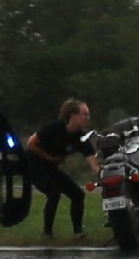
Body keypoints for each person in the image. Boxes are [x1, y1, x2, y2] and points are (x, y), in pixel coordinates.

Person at [26, 98, 100, 239]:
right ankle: (47, 233)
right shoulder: (54, 127)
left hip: (50, 167)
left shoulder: (81, 137)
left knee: (78, 194)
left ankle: (78, 232)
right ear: (73, 115)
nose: (87, 118)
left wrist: (99, 171)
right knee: (54, 194)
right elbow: (31, 143)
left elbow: (92, 160)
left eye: (88, 115)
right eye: (85, 114)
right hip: (33, 165)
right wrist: (49, 158)